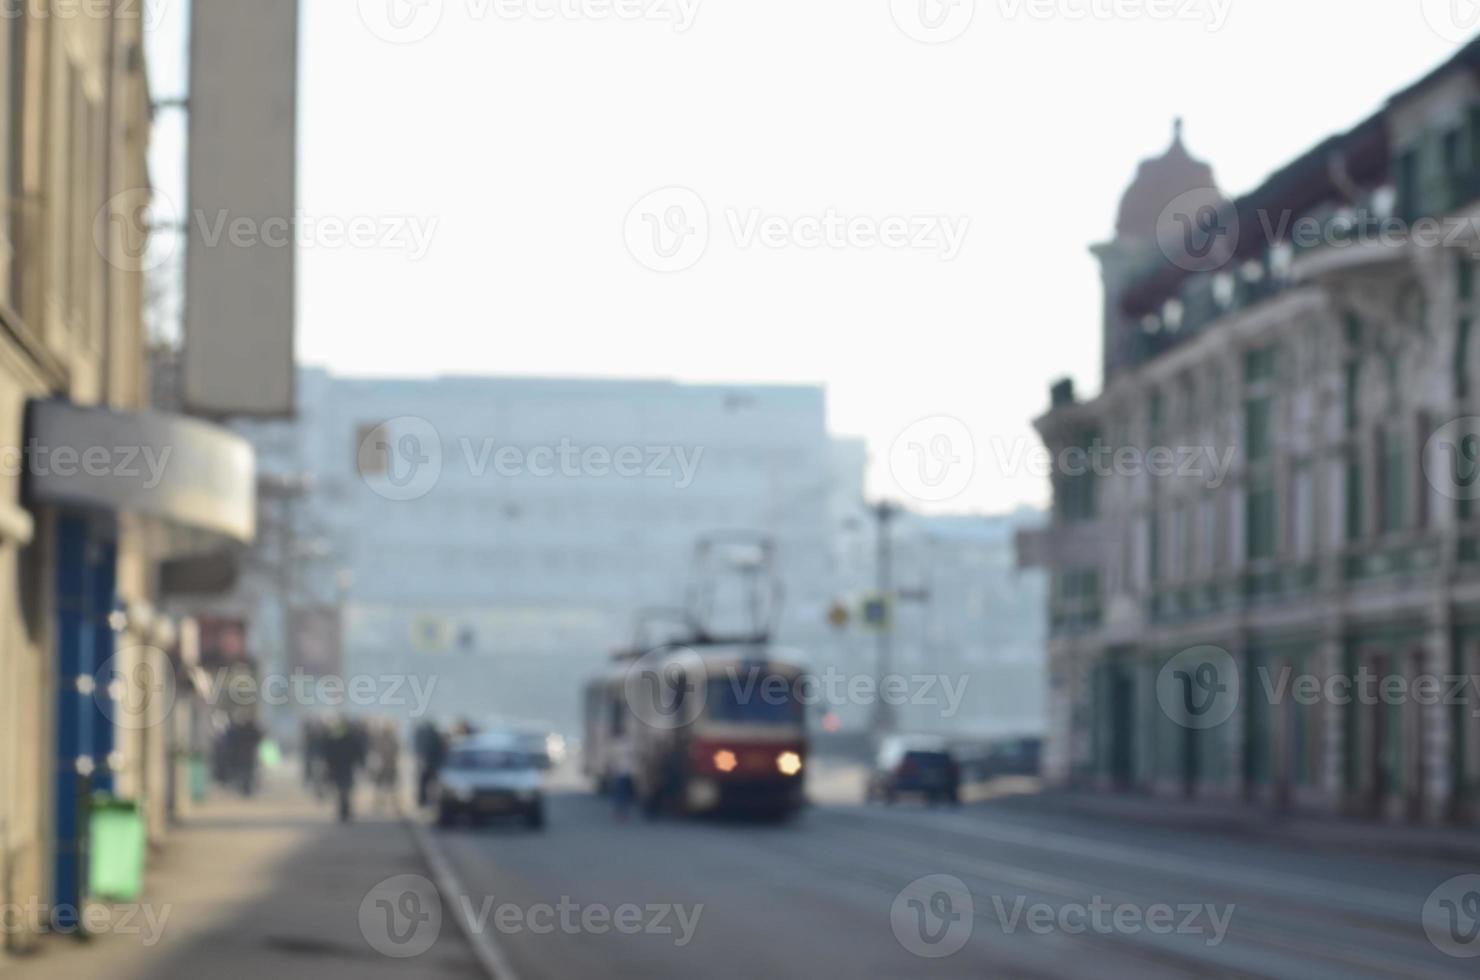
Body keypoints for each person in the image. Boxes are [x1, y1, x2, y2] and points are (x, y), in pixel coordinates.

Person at [323, 716, 363, 823]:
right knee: (344, 790)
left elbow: (328, 752)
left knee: (343, 790)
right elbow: (358, 752)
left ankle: (344, 811)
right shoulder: (350, 738)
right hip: (344, 767)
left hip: (340, 767)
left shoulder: (334, 738)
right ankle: (345, 811)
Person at [370, 721, 401, 814]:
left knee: (387, 786)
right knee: (384, 786)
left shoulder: (385, 739)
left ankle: (388, 802)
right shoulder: (388, 739)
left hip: (388, 766)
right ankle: (382, 802)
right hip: (386, 766)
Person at [413, 721, 447, 807]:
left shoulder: (425, 737)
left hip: (428, 764)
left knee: (425, 784)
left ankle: (423, 801)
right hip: (433, 764)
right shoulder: (435, 737)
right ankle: (429, 801)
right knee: (431, 784)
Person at [611, 738, 636, 822]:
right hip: (625, 773)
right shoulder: (629, 746)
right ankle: (622, 814)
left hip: (621, 774)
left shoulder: (618, 746)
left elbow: (614, 761)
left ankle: (620, 814)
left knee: (621, 795)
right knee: (623, 795)